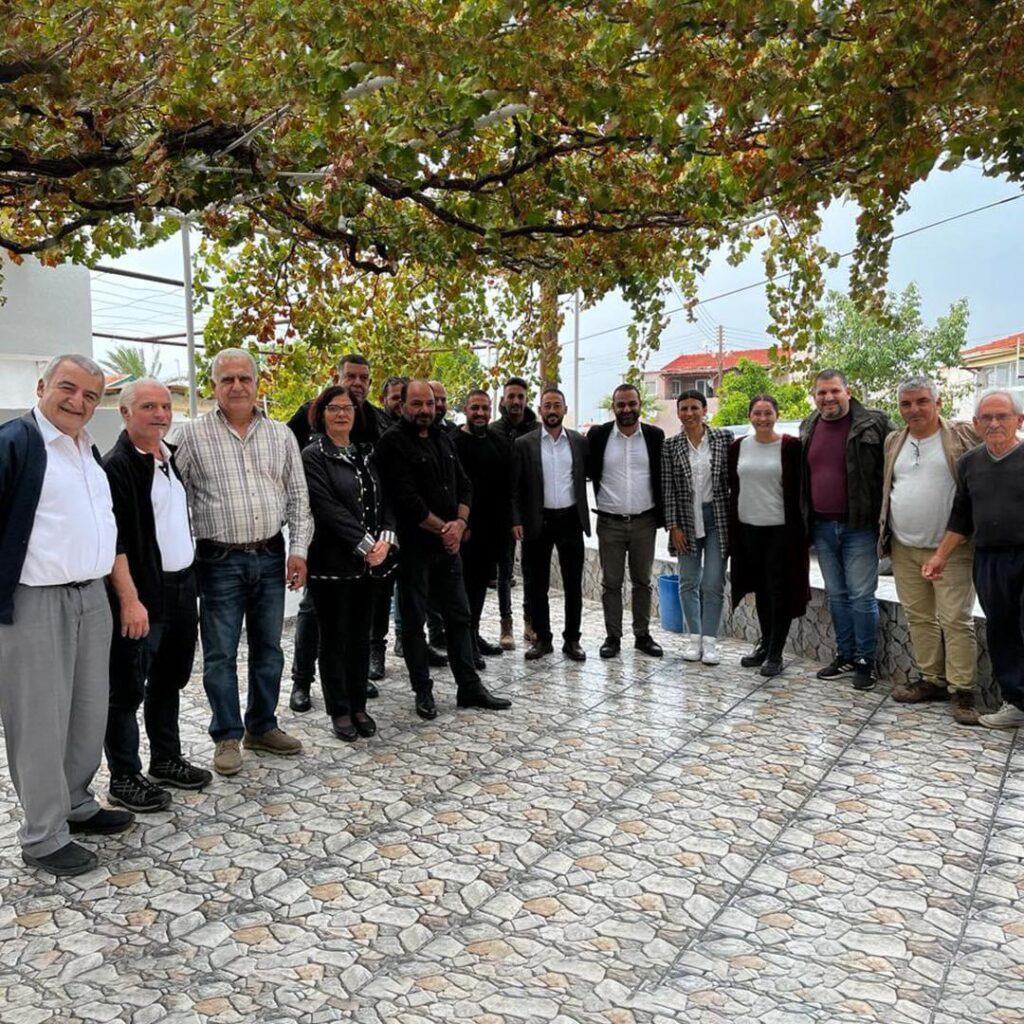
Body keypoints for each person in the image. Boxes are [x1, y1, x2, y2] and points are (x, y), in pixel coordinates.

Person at [0, 354, 132, 877]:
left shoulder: (85, 449)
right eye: (68, 388)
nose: (78, 402)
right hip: (36, 601)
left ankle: (75, 802)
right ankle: (43, 835)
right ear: (42, 386)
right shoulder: (16, 443)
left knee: (86, 710)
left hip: (89, 597)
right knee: (38, 721)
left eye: (90, 395)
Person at [175, 347, 312, 777]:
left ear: (257, 384)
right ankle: (227, 736)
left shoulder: (280, 435)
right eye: (226, 379)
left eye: (244, 378)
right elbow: (168, 493)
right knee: (219, 654)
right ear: (213, 386)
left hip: (271, 556)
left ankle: (262, 726)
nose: (236, 386)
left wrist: (299, 550)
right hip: (218, 560)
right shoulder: (190, 436)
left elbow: (298, 498)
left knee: (269, 649)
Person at [103, 379, 212, 813]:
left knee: (170, 679)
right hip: (144, 593)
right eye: (148, 406)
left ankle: (166, 759)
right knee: (126, 688)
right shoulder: (118, 467)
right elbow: (116, 542)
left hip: (183, 586)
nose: (160, 414)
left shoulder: (169, 459)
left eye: (165, 406)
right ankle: (124, 776)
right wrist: (130, 600)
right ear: (126, 413)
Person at [374, 380, 511, 718]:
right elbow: (407, 501)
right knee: (414, 623)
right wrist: (445, 529)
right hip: (413, 550)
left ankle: (469, 686)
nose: (425, 410)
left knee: (460, 617)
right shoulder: (391, 443)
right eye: (417, 404)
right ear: (404, 405)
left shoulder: (442, 437)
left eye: (430, 403)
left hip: (448, 548)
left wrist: (460, 524)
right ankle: (423, 691)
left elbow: (464, 485)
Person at [285, 353, 390, 712]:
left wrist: (381, 541)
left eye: (364, 378)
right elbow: (288, 452)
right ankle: (302, 682)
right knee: (314, 614)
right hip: (326, 543)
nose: (358, 383)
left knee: (357, 624)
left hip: (366, 550)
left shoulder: (375, 420)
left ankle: (351, 685)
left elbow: (383, 478)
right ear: (338, 376)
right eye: (351, 376)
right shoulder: (311, 412)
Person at [879, 377, 981, 725]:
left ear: (937, 402)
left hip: (951, 548)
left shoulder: (962, 435)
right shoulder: (895, 440)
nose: (914, 409)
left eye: (922, 401)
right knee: (919, 617)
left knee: (955, 619)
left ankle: (962, 690)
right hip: (904, 546)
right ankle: (931, 680)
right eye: (906, 404)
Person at [923, 388, 1024, 730]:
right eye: (987, 418)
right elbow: (961, 516)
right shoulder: (970, 463)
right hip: (990, 560)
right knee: (1002, 629)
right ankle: (1016, 702)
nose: (994, 424)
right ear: (977, 424)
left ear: (1019, 420)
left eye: (1002, 416)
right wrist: (940, 557)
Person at [302, 386, 396, 741]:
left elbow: (387, 500)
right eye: (334, 408)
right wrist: (366, 544)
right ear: (321, 413)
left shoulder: (367, 454)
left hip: (371, 566)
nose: (342, 414)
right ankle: (339, 710)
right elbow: (326, 508)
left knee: (360, 638)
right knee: (335, 639)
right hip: (332, 564)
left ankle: (359, 706)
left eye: (348, 408)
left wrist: (384, 542)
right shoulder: (313, 455)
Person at [800, 370, 894, 691]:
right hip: (822, 526)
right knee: (837, 595)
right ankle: (845, 655)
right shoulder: (808, 425)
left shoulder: (875, 423)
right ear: (814, 396)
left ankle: (865, 660)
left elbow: (895, 466)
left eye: (834, 391)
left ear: (848, 392)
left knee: (860, 595)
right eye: (821, 393)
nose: (828, 398)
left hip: (860, 526)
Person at [727, 395, 809, 677]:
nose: (763, 419)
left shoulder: (790, 446)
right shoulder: (738, 447)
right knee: (761, 590)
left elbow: (801, 489)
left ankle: (776, 652)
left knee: (779, 591)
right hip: (748, 529)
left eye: (768, 413)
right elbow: (732, 485)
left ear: (777, 414)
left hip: (781, 531)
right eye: (757, 413)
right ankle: (764, 644)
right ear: (749, 415)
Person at [511, 387, 590, 662]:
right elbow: (515, 487)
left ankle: (572, 640)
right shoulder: (525, 443)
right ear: (541, 410)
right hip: (537, 520)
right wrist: (516, 520)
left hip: (570, 519)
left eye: (557, 405)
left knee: (572, 584)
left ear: (565, 410)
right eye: (547, 406)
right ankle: (543, 639)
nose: (552, 410)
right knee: (536, 585)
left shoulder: (579, 442)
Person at [587, 383, 665, 659]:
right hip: (609, 523)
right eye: (621, 405)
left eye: (632, 404)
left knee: (642, 582)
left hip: (645, 521)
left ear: (640, 405)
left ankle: (642, 636)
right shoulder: (598, 436)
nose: (627, 409)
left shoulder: (655, 436)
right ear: (614, 408)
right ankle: (613, 637)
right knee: (611, 583)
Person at [661, 390, 733, 665]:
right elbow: (667, 490)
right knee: (688, 580)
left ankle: (711, 641)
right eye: (683, 409)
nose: (689, 413)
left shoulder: (723, 439)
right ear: (678, 412)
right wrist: (673, 525)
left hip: (717, 519)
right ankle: (695, 638)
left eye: (694, 408)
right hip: (686, 520)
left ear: (705, 410)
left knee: (713, 581)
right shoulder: (670, 446)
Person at [453, 390, 512, 666]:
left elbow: (506, 487)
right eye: (475, 408)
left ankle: (473, 635)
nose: (480, 413)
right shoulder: (452, 442)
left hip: (492, 533)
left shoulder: (498, 441)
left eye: (485, 409)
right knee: (462, 592)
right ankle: (464, 645)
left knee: (478, 591)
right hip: (463, 533)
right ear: (466, 409)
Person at [490, 376, 540, 649]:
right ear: (503, 400)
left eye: (520, 396)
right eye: (511, 396)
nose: (516, 401)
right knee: (505, 572)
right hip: (501, 512)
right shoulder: (493, 431)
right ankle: (505, 624)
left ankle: (529, 622)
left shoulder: (536, 430)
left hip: (531, 510)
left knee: (531, 570)